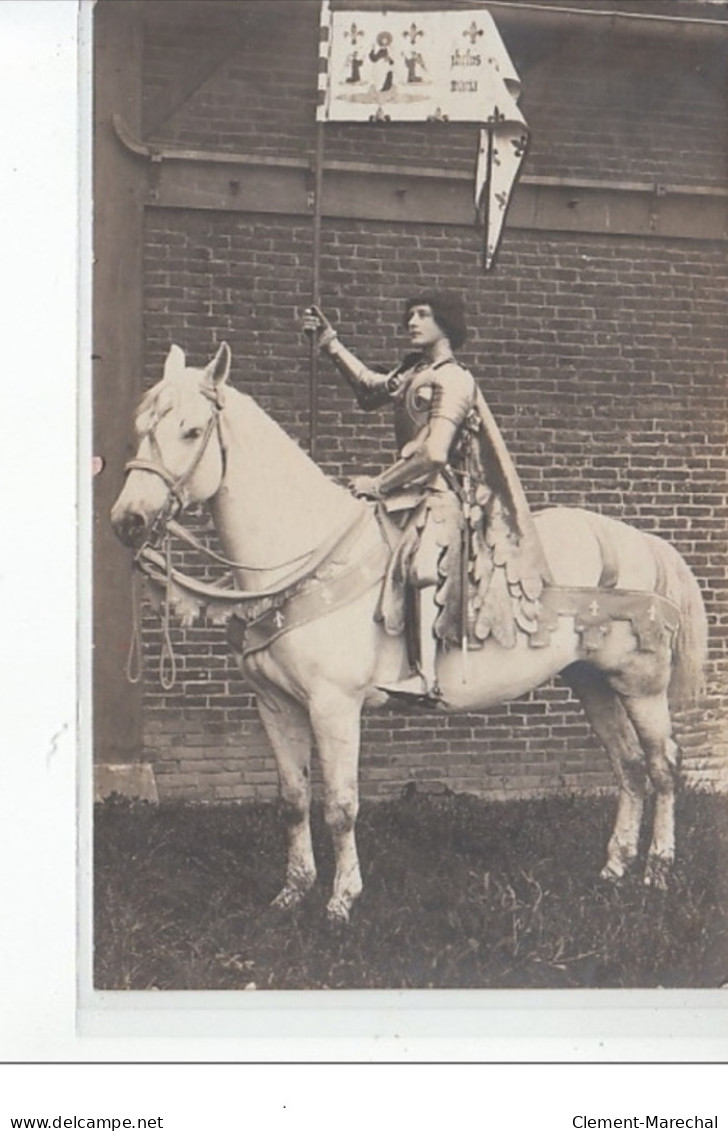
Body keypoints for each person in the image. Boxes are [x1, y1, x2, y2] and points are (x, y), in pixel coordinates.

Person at [303, 292, 550, 705]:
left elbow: (435, 452)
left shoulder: (454, 379)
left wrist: (379, 484)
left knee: (422, 568)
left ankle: (426, 677)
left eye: (423, 315)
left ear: (445, 323)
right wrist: (330, 342)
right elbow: (369, 388)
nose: (412, 322)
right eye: (410, 315)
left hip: (443, 495)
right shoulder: (412, 370)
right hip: (406, 493)